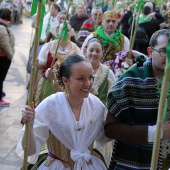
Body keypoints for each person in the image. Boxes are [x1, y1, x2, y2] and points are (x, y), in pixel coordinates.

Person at [16, 54, 108, 170]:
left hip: (90, 165)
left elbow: (104, 136)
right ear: (65, 80)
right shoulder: (50, 105)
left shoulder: (96, 105)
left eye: (90, 77)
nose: (88, 83)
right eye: (81, 78)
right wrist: (29, 125)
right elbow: (29, 151)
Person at [104, 29, 170, 170]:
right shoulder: (130, 82)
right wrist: (156, 132)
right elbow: (110, 129)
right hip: (138, 162)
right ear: (150, 52)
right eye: (164, 51)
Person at [84, 37, 116, 166]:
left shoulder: (108, 73)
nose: (94, 54)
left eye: (98, 51)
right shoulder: (76, 68)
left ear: (102, 53)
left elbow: (112, 98)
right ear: (85, 50)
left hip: (97, 119)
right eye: (91, 50)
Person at [35, 22, 81, 106]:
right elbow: (39, 65)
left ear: (70, 33)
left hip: (67, 86)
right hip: (48, 82)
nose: (64, 32)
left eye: (67, 30)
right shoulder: (49, 46)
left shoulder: (76, 49)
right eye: (62, 29)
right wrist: (47, 71)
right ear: (57, 32)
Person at [0, 8, 15, 106]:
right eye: (11, 13)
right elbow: (4, 44)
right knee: (0, 78)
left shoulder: (5, 25)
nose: (12, 15)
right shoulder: (2, 27)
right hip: (3, 57)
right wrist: (10, 55)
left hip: (4, 57)